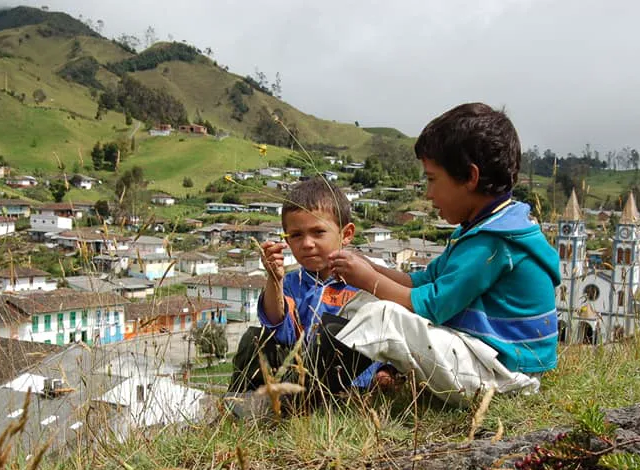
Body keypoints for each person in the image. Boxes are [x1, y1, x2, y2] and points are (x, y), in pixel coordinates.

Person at [327, 102, 561, 403]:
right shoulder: (484, 227)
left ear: (470, 177)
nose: (428, 193)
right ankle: (321, 384)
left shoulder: (493, 242)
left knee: (382, 315)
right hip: (486, 359)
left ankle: (305, 393)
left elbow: (431, 305)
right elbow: (424, 280)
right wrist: (370, 268)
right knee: (369, 302)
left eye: (432, 179)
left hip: (505, 377)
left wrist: (369, 278)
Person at [227, 177, 388, 399]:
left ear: (346, 234)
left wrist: (385, 371)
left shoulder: (366, 281)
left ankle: (288, 405)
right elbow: (277, 326)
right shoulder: (293, 283)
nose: (307, 244)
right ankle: (238, 407)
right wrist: (274, 279)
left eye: (318, 232)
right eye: (296, 235)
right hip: (297, 375)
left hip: (348, 384)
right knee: (254, 337)